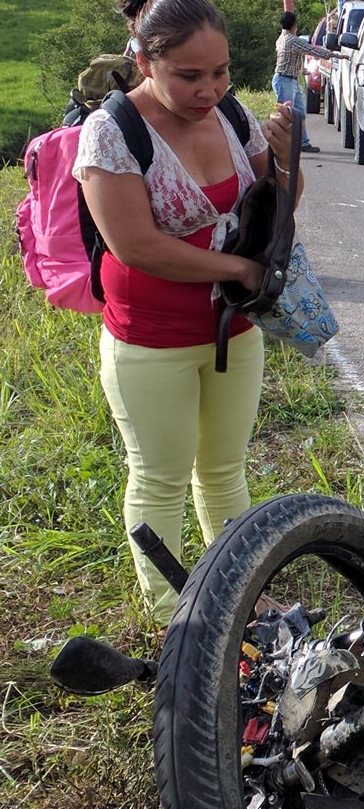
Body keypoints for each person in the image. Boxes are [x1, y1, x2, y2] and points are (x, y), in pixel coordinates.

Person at [73, 0, 297, 628]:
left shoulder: (231, 114)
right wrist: (239, 272)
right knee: (159, 475)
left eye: (221, 72)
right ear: (144, 61)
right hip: (149, 335)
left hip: (231, 327)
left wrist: (284, 160)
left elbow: (275, 211)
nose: (210, 90)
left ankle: (239, 599)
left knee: (225, 468)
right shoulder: (112, 133)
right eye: (190, 77)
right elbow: (136, 246)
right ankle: (178, 617)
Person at [273, 9, 339, 153]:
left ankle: (302, 143)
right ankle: (280, 145)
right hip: (285, 81)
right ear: (294, 25)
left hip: (290, 80)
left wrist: (301, 71)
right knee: (286, 115)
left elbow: (286, 59)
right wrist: (335, 55)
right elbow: (312, 50)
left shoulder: (282, 38)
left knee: (299, 114)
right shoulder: (292, 40)